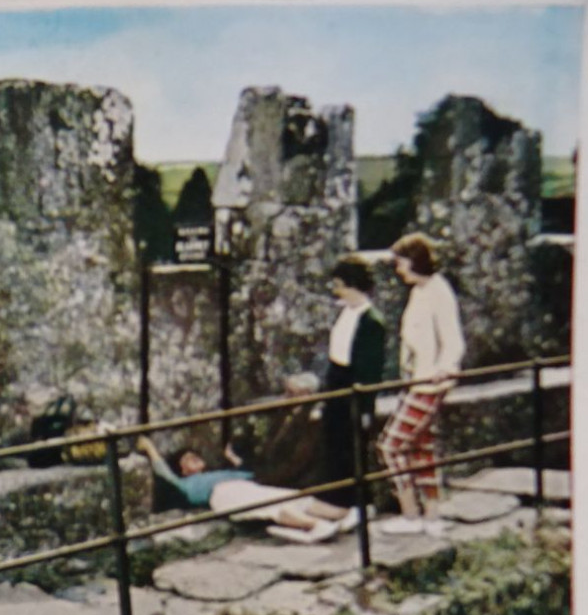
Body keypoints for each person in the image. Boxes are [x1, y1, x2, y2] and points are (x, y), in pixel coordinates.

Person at [377, 233, 466, 536]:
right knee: (422, 448)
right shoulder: (420, 290)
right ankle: (432, 515)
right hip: (416, 380)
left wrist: (445, 369)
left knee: (390, 446)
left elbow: (452, 338)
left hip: (429, 382)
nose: (398, 270)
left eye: (401, 263)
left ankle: (410, 514)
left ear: (414, 261)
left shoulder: (439, 291)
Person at [136, 436, 350, 544]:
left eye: (196, 456)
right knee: (271, 506)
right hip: (221, 495)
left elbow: (249, 470)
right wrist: (150, 448)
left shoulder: (219, 472)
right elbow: (166, 476)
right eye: (188, 459)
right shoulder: (188, 485)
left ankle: (343, 515)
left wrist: (233, 458)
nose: (196, 459)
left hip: (242, 485)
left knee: (292, 496)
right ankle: (314, 525)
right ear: (182, 470)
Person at [316, 256, 386, 516]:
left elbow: (371, 370)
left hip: (354, 383)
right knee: (334, 442)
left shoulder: (371, 321)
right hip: (336, 380)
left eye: (339, 284)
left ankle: (360, 504)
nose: (336, 290)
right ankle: (338, 501)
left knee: (353, 444)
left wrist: (366, 407)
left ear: (352, 284)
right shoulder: (347, 312)